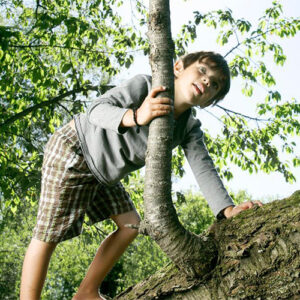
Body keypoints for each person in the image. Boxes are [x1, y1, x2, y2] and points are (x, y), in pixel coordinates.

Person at [20, 51, 262, 300]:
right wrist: (135, 116)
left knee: (129, 226)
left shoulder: (189, 128)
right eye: (202, 70)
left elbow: (203, 167)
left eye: (215, 84)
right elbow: (96, 109)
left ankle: (86, 292)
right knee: (48, 235)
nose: (207, 81)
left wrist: (226, 209)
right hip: (76, 149)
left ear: (209, 101)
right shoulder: (145, 86)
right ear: (178, 67)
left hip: (103, 174)